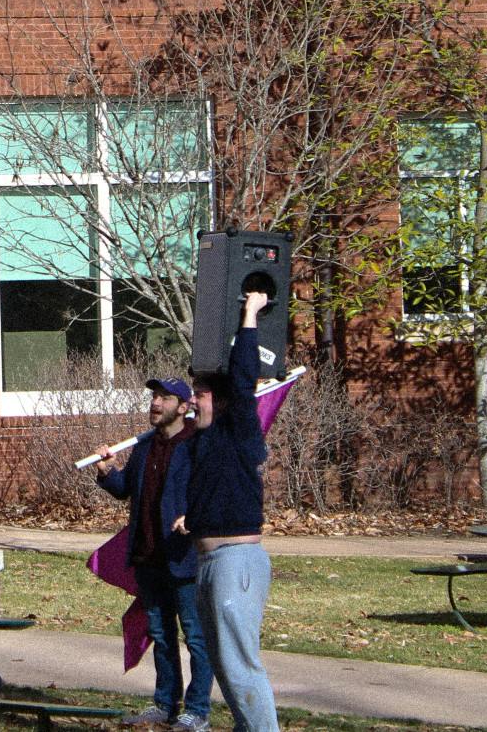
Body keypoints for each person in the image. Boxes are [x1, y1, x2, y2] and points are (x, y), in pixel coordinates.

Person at [184, 292, 278, 732]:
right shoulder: (201, 439)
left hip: (236, 561)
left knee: (240, 665)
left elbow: (242, 381)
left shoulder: (237, 427)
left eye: (198, 395)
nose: (190, 403)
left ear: (219, 402)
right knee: (223, 665)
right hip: (208, 561)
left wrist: (249, 317)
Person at [93, 379, 209, 731]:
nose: (155, 403)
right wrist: (107, 473)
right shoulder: (146, 445)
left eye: (164, 398)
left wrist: (195, 517)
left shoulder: (196, 444)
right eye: (154, 397)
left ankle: (197, 710)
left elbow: (209, 492)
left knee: (195, 637)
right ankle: (165, 703)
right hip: (147, 556)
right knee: (160, 635)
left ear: (183, 405)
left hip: (183, 558)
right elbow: (125, 489)